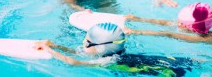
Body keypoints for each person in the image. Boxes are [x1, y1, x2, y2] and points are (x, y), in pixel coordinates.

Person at [35, 22, 196, 76]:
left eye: (87, 42)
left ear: (99, 48)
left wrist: (49, 51)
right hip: (167, 61)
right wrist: (55, 45)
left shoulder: (107, 60)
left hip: (169, 72)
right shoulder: (109, 52)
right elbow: (75, 52)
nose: (83, 44)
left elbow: (73, 62)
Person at [124, 3, 212, 55]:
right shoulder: (193, 28)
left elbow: (168, 34)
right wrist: (138, 19)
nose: (177, 24)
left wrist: (138, 31)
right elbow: (166, 23)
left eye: (181, 23)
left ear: (189, 28)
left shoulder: (196, 37)